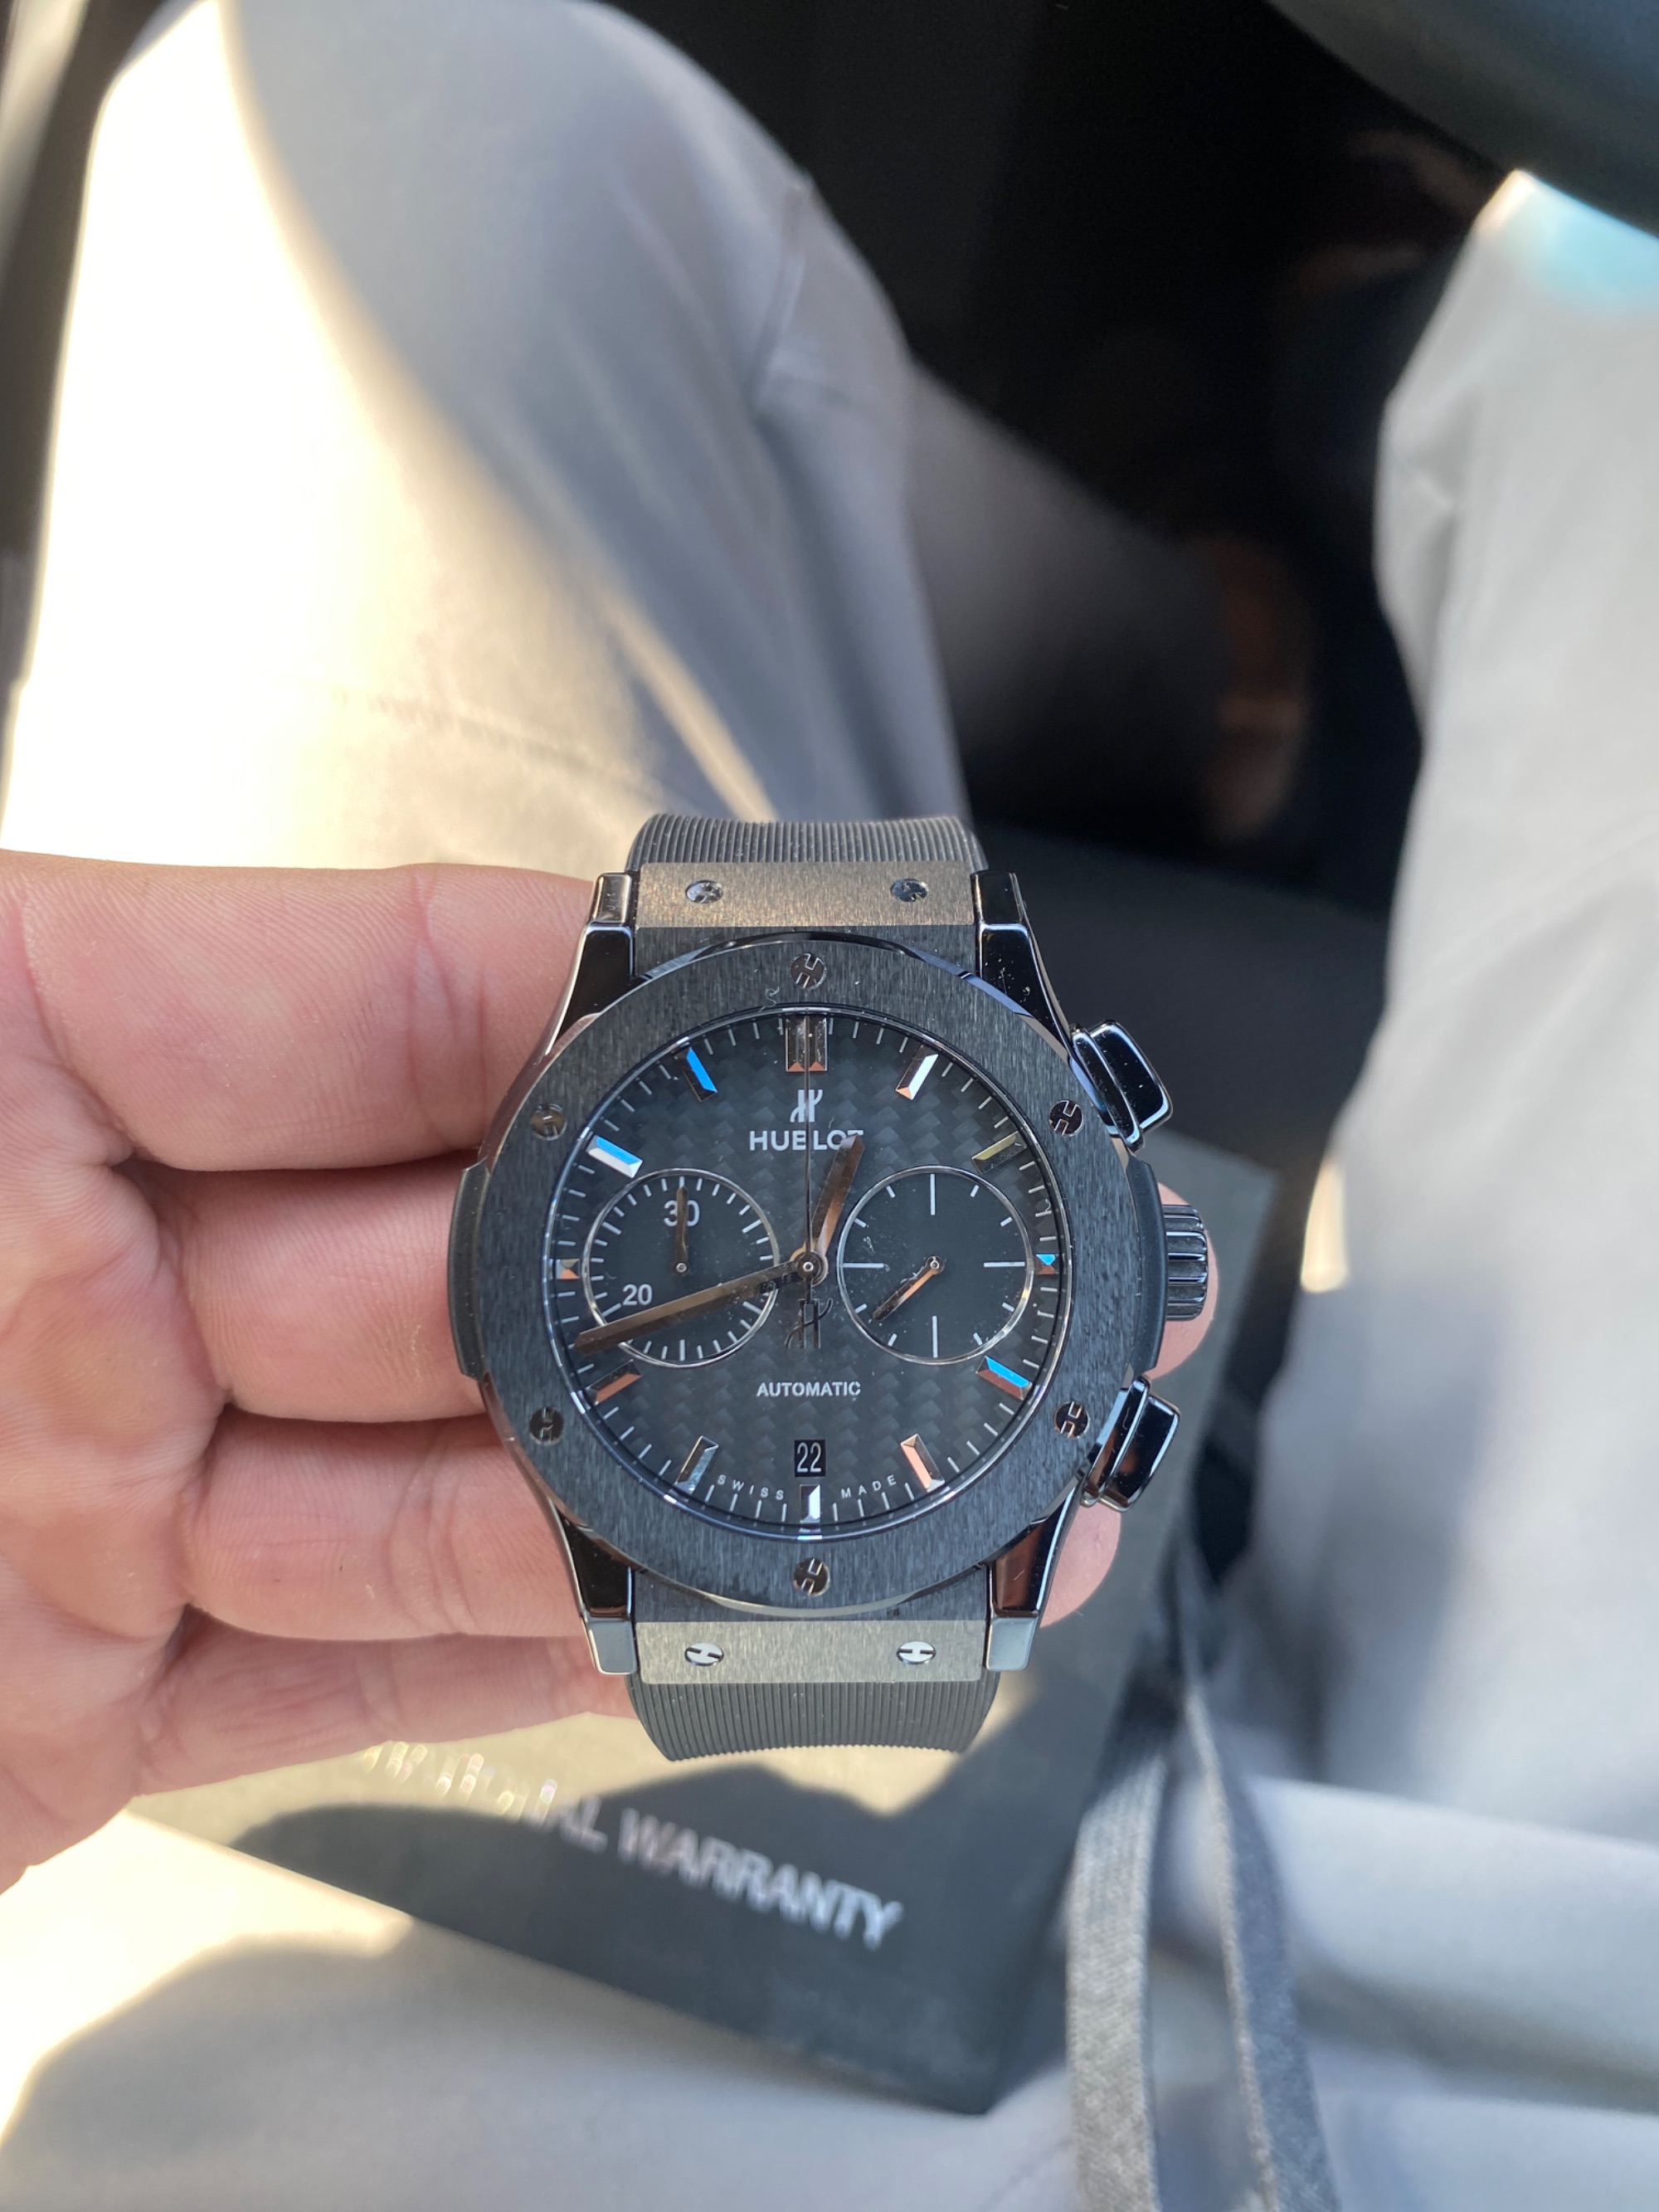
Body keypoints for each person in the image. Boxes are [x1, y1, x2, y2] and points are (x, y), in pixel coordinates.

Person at [3, 5, 1659, 2210]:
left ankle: (1242, 629)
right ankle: (1258, 623)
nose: (806, 1275)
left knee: (413, 95)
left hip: (379, 2066)